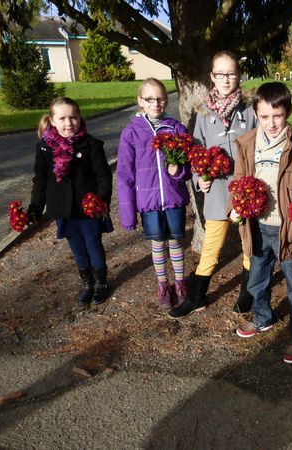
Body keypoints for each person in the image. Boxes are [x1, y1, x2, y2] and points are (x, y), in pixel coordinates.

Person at [168, 51, 257, 319]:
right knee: (211, 247)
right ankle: (196, 297)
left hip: (245, 192)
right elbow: (197, 153)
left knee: (248, 244)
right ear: (212, 77)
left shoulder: (250, 110)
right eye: (220, 74)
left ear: (238, 75)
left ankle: (248, 292)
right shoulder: (203, 114)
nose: (226, 79)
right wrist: (200, 178)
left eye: (231, 73)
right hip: (217, 192)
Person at [231, 82, 292, 364]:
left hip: (287, 230)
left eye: (277, 115)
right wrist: (238, 206)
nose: (271, 122)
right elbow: (239, 181)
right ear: (255, 114)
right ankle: (263, 316)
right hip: (257, 228)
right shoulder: (246, 144)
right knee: (257, 279)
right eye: (264, 116)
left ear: (287, 112)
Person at [28, 97, 113, 306]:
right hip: (64, 209)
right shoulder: (44, 148)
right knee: (77, 248)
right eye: (63, 118)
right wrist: (35, 208)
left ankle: (101, 283)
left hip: (89, 208)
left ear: (79, 118)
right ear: (52, 120)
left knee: (93, 245)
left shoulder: (91, 145)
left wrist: (102, 201)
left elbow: (103, 176)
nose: (69, 123)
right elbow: (39, 180)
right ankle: (87, 283)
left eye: (73, 117)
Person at [117, 78, 192, 309]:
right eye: (149, 99)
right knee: (158, 244)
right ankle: (163, 284)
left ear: (166, 100)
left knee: (176, 242)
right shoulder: (131, 133)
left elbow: (189, 166)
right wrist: (128, 213)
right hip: (148, 202)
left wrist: (179, 170)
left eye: (160, 98)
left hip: (173, 199)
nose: (155, 103)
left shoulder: (176, 128)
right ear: (140, 101)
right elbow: (124, 175)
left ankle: (180, 283)